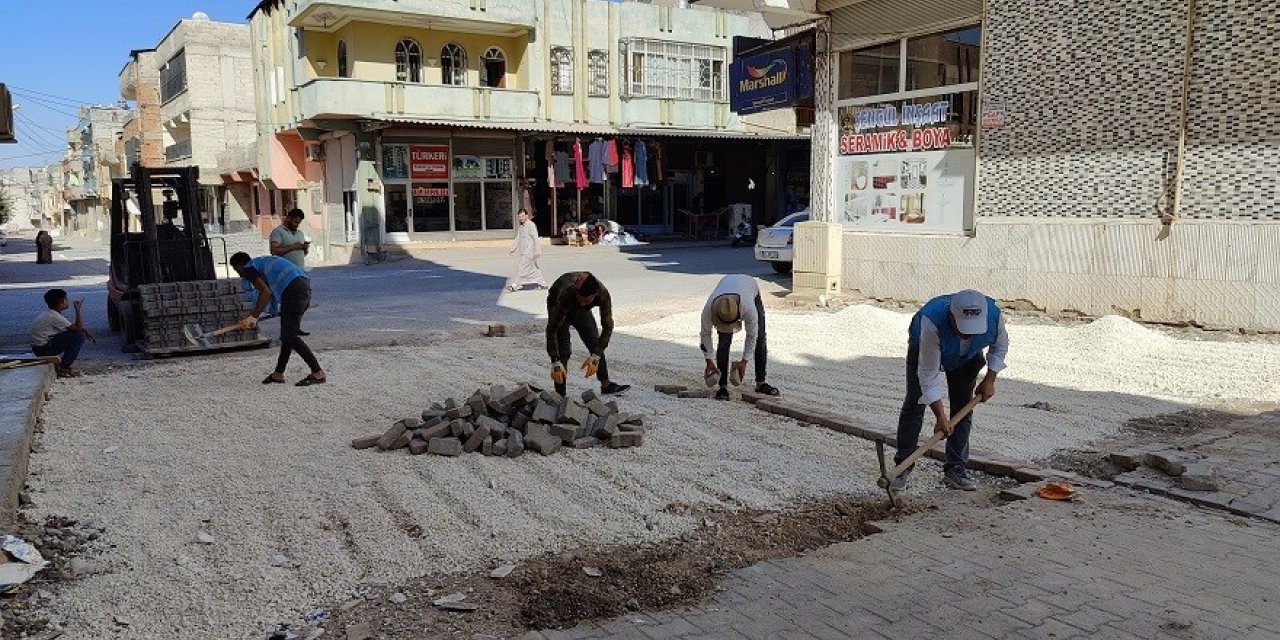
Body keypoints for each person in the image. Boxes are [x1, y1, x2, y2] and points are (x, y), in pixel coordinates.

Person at [893, 290, 1009, 491]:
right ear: (951, 317)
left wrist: (990, 379)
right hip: (924, 348)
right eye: (963, 328)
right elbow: (928, 374)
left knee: (963, 407)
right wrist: (940, 417)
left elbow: (1000, 346)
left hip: (968, 356)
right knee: (915, 402)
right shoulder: (931, 322)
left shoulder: (993, 317)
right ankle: (903, 465)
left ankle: (955, 468)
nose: (968, 333)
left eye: (973, 329)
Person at [229, 252, 326, 387]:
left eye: (236, 269)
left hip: (294, 290)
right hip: (301, 285)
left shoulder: (248, 269)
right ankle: (278, 374)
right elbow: (267, 291)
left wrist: (253, 317)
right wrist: (255, 314)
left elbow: (265, 292)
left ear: (240, 265)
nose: (239, 274)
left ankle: (318, 373)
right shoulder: (260, 263)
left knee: (290, 336)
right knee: (286, 336)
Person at [545, 271, 630, 397]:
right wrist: (555, 361)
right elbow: (552, 329)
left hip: (582, 311)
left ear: (594, 295)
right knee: (563, 350)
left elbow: (607, 326)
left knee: (594, 342)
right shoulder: (566, 294)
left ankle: (606, 385)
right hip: (559, 304)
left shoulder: (602, 294)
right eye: (580, 299)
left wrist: (596, 355)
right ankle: (560, 396)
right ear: (576, 293)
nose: (582, 303)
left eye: (586, 300)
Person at [700, 274, 779, 401]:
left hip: (750, 287)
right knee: (724, 340)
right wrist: (708, 360)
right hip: (727, 286)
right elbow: (705, 334)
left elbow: (752, 336)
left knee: (760, 337)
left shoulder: (749, 309)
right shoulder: (710, 308)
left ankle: (761, 383)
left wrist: (744, 361)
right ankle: (723, 386)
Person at [30, 289, 96, 378]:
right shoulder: (54, 316)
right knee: (79, 336)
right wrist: (78, 310)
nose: (67, 301)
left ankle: (62, 365)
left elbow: (70, 327)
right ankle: (63, 367)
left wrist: (84, 330)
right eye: (66, 299)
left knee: (77, 333)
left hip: (39, 348)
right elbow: (77, 328)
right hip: (43, 349)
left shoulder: (50, 314)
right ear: (61, 302)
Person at [267, 208, 310, 333]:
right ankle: (290, 330)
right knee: (289, 302)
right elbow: (274, 250)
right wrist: (293, 247)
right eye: (295, 222)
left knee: (304, 301)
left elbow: (302, 253)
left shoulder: (300, 234)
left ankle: (295, 327)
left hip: (300, 272)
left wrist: (304, 248)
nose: (297, 225)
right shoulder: (278, 232)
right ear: (289, 218)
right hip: (285, 275)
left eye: (299, 223)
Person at [506, 208, 548, 292]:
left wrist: (537, 250)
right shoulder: (521, 227)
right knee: (533, 269)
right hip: (523, 251)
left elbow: (535, 238)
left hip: (529, 252)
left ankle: (515, 285)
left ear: (526, 216)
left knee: (522, 267)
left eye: (522, 216)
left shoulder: (531, 225)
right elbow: (518, 238)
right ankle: (543, 284)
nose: (520, 218)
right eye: (519, 216)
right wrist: (513, 248)